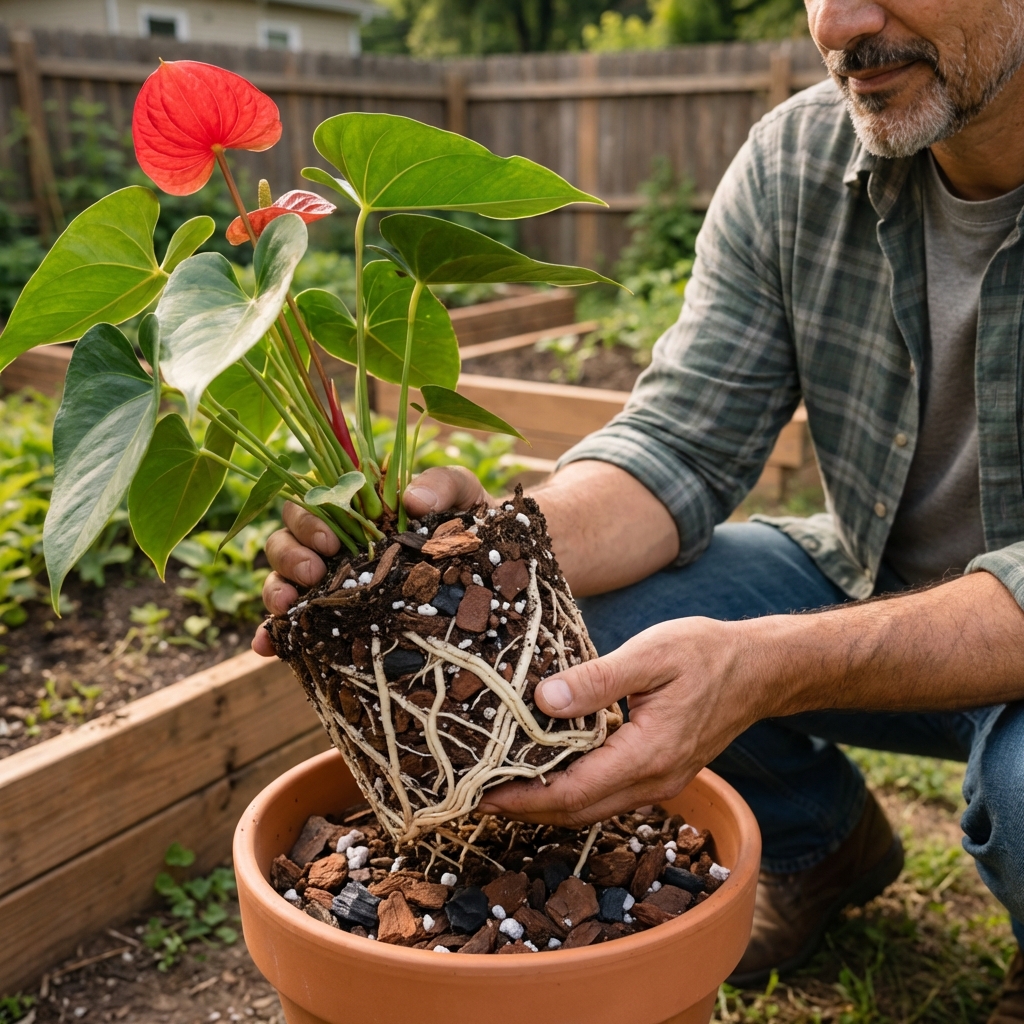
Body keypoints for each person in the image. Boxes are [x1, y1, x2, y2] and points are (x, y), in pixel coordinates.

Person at [253, 0, 1024, 1013]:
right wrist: (485, 557)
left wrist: (766, 665)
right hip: (880, 582)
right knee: (587, 625)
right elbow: (677, 445)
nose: (838, 22)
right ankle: (822, 845)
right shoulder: (799, 158)